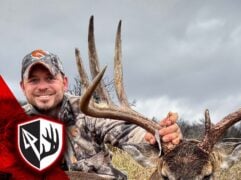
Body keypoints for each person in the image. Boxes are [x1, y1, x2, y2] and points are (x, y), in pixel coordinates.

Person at [20, 49, 182, 179]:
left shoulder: (88, 113)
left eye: (50, 78)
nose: (42, 87)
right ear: (22, 86)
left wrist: (156, 135)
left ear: (65, 82)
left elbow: (128, 131)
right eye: (33, 80)